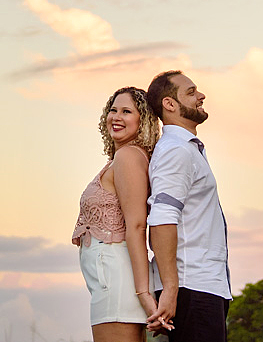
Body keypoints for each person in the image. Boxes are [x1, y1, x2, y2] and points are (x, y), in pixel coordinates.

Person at [145, 70, 231, 342]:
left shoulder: (188, 148)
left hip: (203, 285)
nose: (201, 95)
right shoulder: (176, 150)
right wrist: (171, 289)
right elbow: (161, 218)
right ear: (169, 104)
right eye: (191, 92)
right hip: (191, 286)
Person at [72, 86, 163, 342]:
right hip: (110, 280)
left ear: (142, 120)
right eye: (113, 110)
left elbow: (136, 226)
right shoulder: (120, 158)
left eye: (126, 111)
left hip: (117, 280)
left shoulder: (128, 157)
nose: (116, 117)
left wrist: (143, 294)